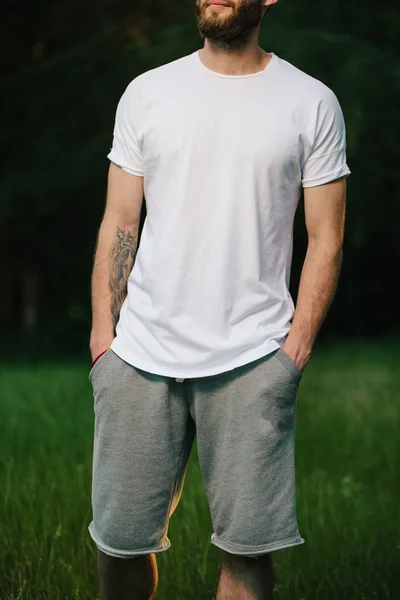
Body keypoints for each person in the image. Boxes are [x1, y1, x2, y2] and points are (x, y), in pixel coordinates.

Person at [88, 0, 351, 597]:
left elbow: (327, 237)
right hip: (138, 355)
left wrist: (293, 353)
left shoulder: (311, 101)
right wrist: (104, 338)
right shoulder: (148, 92)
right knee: (121, 544)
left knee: (247, 554)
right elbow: (120, 220)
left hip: (254, 358)